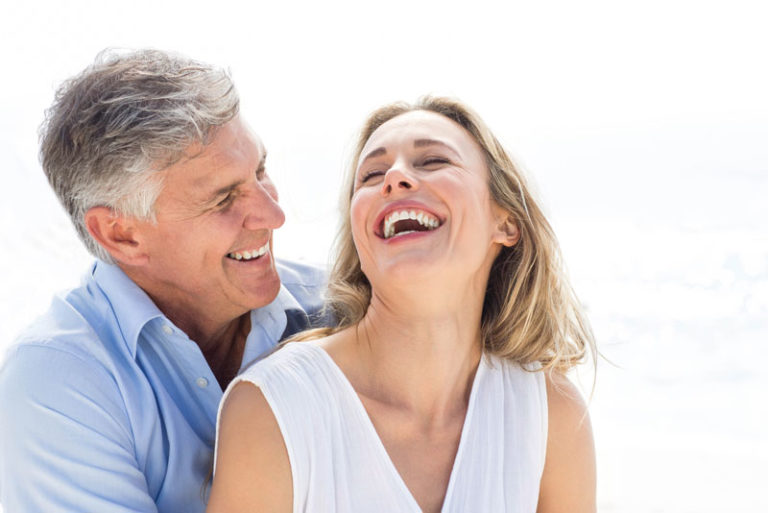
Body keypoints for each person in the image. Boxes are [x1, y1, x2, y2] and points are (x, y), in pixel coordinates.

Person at [207, 97, 597, 513]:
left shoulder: (549, 412)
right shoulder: (274, 407)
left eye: (432, 161)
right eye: (372, 174)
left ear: (506, 223)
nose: (395, 177)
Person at [0, 49, 327, 513]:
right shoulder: (58, 380)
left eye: (260, 171)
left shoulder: (349, 308)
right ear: (122, 234)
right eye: (224, 198)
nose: (274, 215)